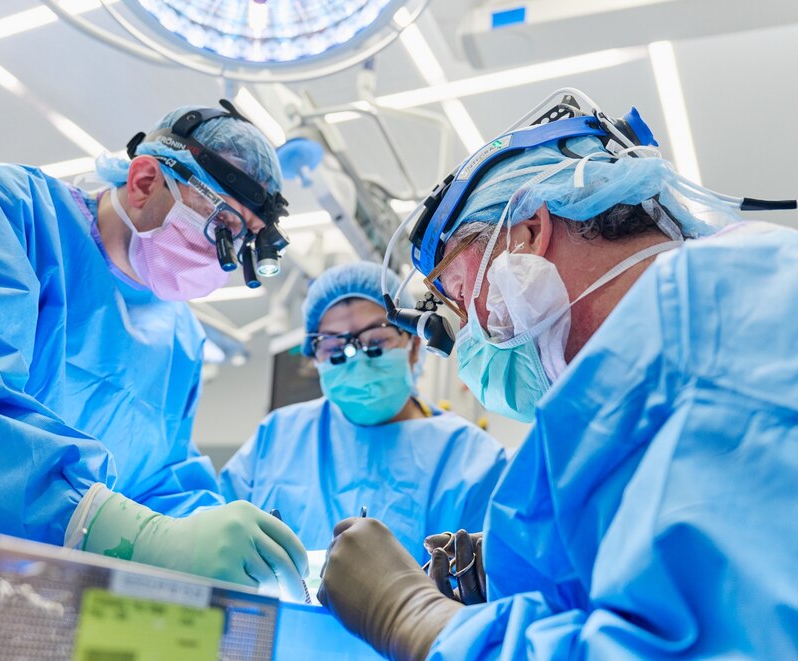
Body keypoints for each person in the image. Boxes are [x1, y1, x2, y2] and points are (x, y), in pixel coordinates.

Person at [316, 90, 798, 659]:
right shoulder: (634, 381)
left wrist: (415, 616)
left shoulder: (735, 302)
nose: (464, 329)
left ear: (526, 235)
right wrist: (522, 577)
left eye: (454, 294)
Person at [0, 102, 308, 599]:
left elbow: (159, 480)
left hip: (5, 600)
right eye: (220, 226)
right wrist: (122, 531)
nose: (222, 262)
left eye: (244, 243)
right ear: (144, 181)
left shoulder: (179, 338)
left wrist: (215, 544)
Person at [220, 262, 507, 560]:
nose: (356, 358)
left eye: (376, 341)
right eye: (334, 347)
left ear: (413, 345)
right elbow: (226, 539)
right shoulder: (277, 437)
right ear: (316, 358)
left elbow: (491, 586)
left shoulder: (473, 461)